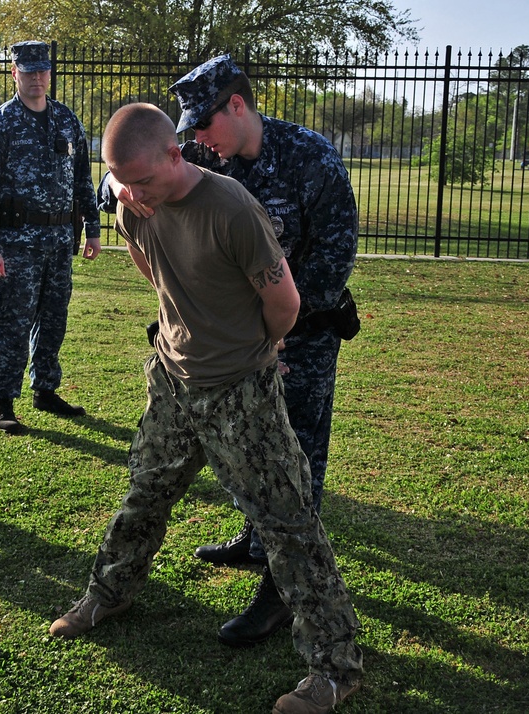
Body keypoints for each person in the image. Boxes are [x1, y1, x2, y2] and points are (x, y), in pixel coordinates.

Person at [50, 103, 363, 714]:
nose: (133, 193)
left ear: (176, 154)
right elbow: (149, 262)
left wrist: (263, 348)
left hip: (240, 390)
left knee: (287, 523)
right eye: (122, 181)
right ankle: (108, 593)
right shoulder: (132, 199)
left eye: (141, 180)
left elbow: (286, 302)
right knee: (145, 494)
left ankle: (334, 667)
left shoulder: (233, 209)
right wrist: (120, 190)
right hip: (172, 379)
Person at [100, 54, 360, 647]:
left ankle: (278, 594)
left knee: (293, 461)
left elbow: (333, 256)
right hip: (234, 340)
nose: (195, 139)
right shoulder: (198, 157)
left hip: (300, 334)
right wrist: (116, 185)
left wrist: (276, 336)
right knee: (248, 455)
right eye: (187, 132)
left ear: (236, 106)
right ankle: (251, 542)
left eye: (203, 125)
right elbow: (123, 174)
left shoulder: (310, 158)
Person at [0, 40, 101, 435]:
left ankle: (45, 388)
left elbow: (82, 180)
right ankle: (3, 399)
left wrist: (91, 229)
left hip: (59, 240)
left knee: (54, 317)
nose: (37, 78)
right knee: (11, 320)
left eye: (43, 71)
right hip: (15, 243)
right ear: (14, 74)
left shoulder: (66, 121)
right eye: (29, 71)